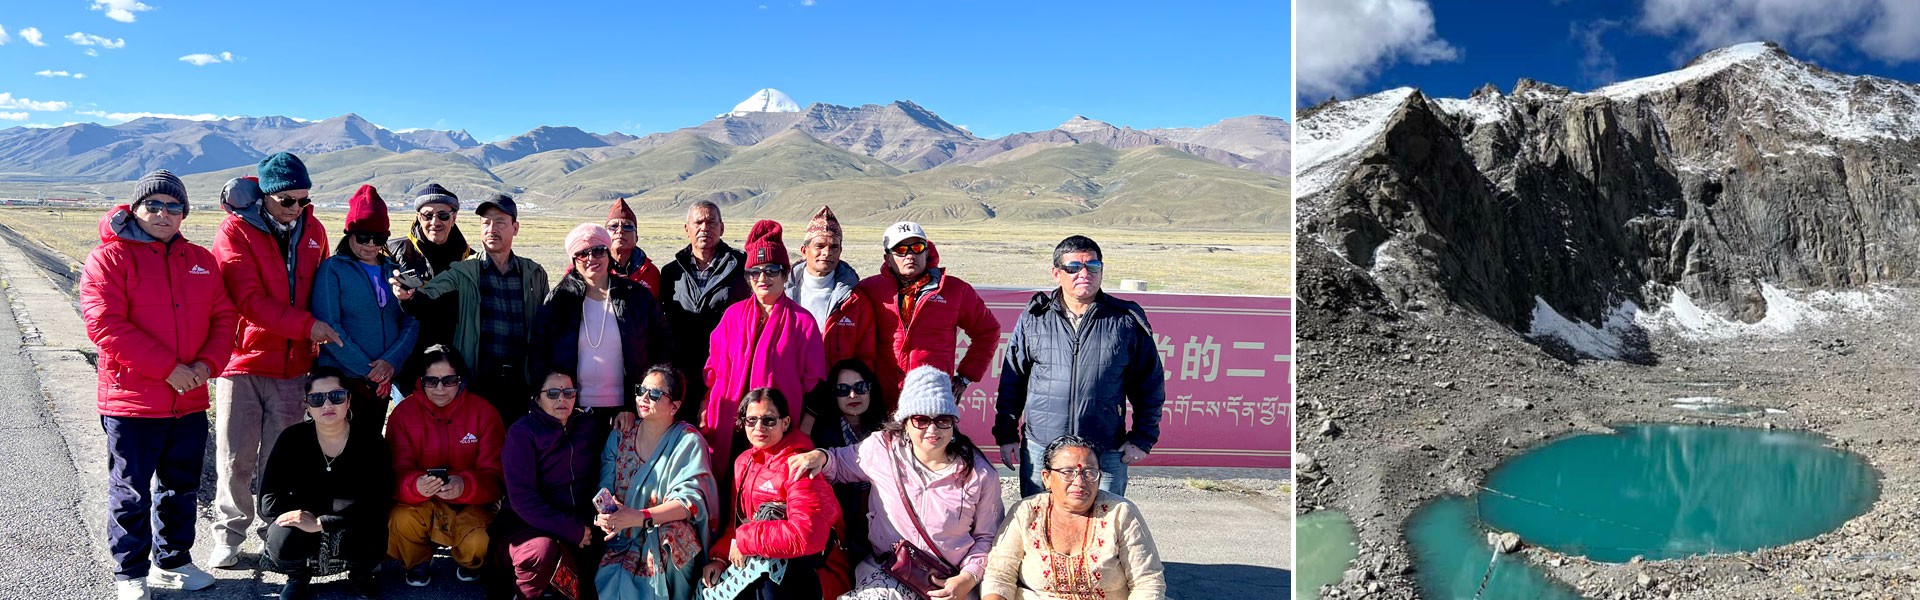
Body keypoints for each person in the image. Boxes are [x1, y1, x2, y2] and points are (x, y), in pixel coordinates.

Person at [80, 170, 236, 600]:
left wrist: (208, 363)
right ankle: (130, 572)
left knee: (180, 486)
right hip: (133, 401)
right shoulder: (109, 258)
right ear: (135, 208)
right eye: (154, 205)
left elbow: (224, 317)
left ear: (184, 212)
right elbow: (104, 324)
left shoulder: (201, 260)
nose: (163, 214)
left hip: (187, 399)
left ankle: (173, 562)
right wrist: (168, 368)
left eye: (173, 206)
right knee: (130, 490)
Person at [209, 152, 340, 568]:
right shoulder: (235, 231)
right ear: (265, 195)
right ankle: (229, 534)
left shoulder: (314, 230)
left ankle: (275, 531)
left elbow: (323, 289)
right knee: (236, 455)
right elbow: (248, 299)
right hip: (244, 362)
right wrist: (308, 327)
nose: (296, 208)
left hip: (294, 367)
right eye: (287, 200)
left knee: (280, 460)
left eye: (303, 199)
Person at [787, 366, 1003, 600]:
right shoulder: (883, 449)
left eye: (942, 420)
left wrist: (967, 578)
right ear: (906, 423)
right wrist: (820, 456)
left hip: (948, 581)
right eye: (921, 420)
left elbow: (987, 537)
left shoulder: (978, 473)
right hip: (890, 573)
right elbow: (839, 464)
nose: (932, 429)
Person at [994, 236, 1165, 496]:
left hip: (1105, 449)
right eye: (1073, 267)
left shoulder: (1124, 321)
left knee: (1104, 529)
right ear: (1056, 273)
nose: (1084, 273)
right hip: (1043, 447)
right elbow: (1012, 382)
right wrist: (1006, 436)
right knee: (1039, 525)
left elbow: (1149, 386)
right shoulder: (1035, 318)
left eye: (1092, 266)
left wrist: (1142, 438)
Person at [703, 220, 826, 513]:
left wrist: (803, 436)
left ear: (786, 275)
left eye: (771, 271)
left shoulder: (802, 322)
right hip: (730, 425)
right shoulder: (732, 316)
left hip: (773, 427)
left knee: (767, 495)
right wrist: (706, 410)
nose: (763, 278)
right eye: (755, 272)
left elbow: (816, 385)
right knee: (724, 490)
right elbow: (712, 371)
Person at [393, 194, 548, 421]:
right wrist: (406, 296)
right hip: (477, 383)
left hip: (520, 384)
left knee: (513, 450)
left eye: (500, 222)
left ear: (515, 228)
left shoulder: (534, 273)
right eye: (485, 222)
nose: (491, 229)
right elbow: (425, 298)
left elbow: (546, 327)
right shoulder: (463, 270)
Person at [259, 367, 394, 600]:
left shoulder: (370, 440)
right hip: (318, 516)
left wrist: (323, 521)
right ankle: (298, 577)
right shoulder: (292, 439)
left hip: (351, 522)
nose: (327, 405)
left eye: (337, 396)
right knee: (282, 535)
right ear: (307, 405)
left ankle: (361, 575)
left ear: (349, 400)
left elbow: (379, 500)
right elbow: (268, 501)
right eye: (317, 399)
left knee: (372, 530)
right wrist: (312, 514)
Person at [700, 388, 845, 599]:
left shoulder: (799, 464)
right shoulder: (744, 462)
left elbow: (807, 536)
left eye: (768, 420)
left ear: (785, 423)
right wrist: (720, 558)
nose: (759, 427)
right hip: (760, 563)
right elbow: (738, 524)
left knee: (766, 569)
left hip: (815, 570)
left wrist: (745, 541)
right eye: (751, 420)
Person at [982, 435, 1166, 600]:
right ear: (1046, 478)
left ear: (1099, 477)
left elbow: (1148, 582)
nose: (1079, 482)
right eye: (1068, 472)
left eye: (1089, 473)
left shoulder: (1120, 513)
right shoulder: (1026, 512)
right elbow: (999, 576)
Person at [535, 223, 672, 438]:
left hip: (627, 412)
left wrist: (633, 402)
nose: (591, 258)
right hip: (572, 411)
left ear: (608, 254)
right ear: (573, 260)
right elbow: (540, 352)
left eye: (598, 250)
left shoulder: (636, 297)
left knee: (620, 470)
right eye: (582, 254)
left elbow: (662, 344)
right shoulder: (559, 300)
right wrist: (554, 404)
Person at [385, 345, 506, 587]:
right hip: (421, 503)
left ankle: (470, 561)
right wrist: (415, 485)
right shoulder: (403, 414)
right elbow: (392, 476)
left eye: (449, 380)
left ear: (461, 380)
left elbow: (497, 479)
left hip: (472, 505)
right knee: (399, 519)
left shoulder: (484, 412)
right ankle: (417, 561)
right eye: (432, 381)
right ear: (421, 380)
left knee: (481, 540)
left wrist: (465, 485)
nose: (440, 388)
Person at [594, 365, 718, 600]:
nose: (643, 398)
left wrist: (640, 517)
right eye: (641, 390)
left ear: (675, 406)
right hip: (623, 535)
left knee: (673, 535)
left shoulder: (688, 441)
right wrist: (607, 516)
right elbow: (605, 488)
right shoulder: (621, 434)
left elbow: (689, 503)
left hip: (664, 535)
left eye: (654, 394)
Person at [312, 185, 420, 437]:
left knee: (368, 446)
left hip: (380, 383)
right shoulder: (333, 270)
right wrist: (369, 372)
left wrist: (390, 364)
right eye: (363, 237)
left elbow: (411, 319)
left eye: (379, 238)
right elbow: (329, 326)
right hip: (342, 382)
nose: (371, 245)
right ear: (349, 233)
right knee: (338, 447)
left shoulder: (393, 270)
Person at [856, 221, 1000, 397]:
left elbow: (988, 330)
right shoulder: (869, 290)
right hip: (881, 399)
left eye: (917, 247)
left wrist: (965, 377)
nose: (910, 255)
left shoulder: (955, 290)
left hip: (933, 398)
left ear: (927, 252)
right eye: (901, 250)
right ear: (888, 258)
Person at [496, 371, 606, 600]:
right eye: (553, 393)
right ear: (537, 397)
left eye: (569, 393)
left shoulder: (587, 426)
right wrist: (571, 530)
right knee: (541, 552)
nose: (562, 399)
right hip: (527, 525)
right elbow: (522, 500)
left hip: (579, 521)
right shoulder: (522, 433)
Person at [658, 200, 750, 423]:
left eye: (711, 222)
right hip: (682, 368)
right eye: (698, 222)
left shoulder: (742, 267)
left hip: (727, 366)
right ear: (686, 229)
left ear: (722, 227)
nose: (704, 228)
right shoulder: (671, 272)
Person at [385, 183, 473, 396]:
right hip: (408, 368)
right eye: (427, 215)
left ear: (454, 218)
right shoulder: (393, 252)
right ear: (417, 217)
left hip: (455, 368)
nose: (435, 222)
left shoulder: (470, 260)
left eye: (443, 215)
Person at [805, 358, 885, 578]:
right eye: (843, 390)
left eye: (860, 388)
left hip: (880, 534)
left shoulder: (886, 434)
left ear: (870, 389)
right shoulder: (823, 435)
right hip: (839, 533)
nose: (853, 396)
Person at [784, 205, 873, 371]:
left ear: (840, 251)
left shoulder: (855, 301)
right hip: (791, 383)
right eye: (819, 246)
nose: (827, 252)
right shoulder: (781, 294)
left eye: (834, 247)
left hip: (836, 389)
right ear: (804, 251)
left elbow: (865, 355)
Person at [605, 197, 662, 298]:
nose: (620, 231)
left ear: (636, 238)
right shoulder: (591, 267)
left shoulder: (651, 272)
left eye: (627, 226)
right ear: (604, 235)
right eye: (613, 226)